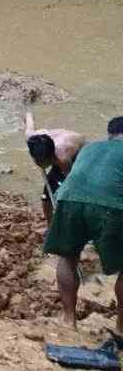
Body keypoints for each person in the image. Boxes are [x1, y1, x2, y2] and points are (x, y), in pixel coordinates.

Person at [43, 117, 123, 333]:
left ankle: (68, 320)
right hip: (110, 205)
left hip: (68, 200)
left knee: (68, 257)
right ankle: (120, 327)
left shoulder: (90, 147)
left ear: (110, 134)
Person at [25, 110, 86, 225]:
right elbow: (29, 121)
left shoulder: (63, 158)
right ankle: (51, 226)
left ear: (51, 158)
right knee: (46, 197)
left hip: (81, 156)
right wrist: (28, 112)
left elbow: (72, 188)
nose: (37, 164)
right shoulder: (32, 139)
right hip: (57, 149)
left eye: (41, 162)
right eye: (36, 160)